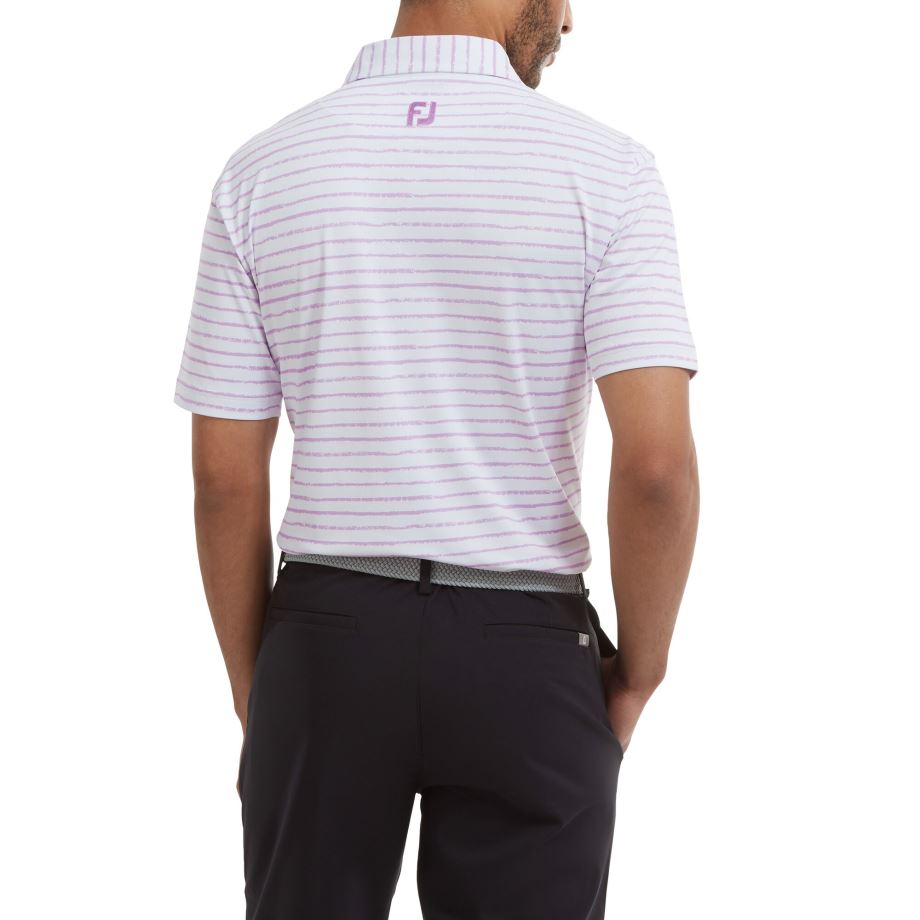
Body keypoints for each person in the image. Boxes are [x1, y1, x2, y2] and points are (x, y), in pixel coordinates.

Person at [173, 1, 700, 917]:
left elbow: (223, 479)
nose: (570, 19)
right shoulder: (608, 173)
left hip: (324, 641)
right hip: (527, 648)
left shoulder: (263, 170)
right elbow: (655, 465)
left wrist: (264, 689)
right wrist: (640, 670)